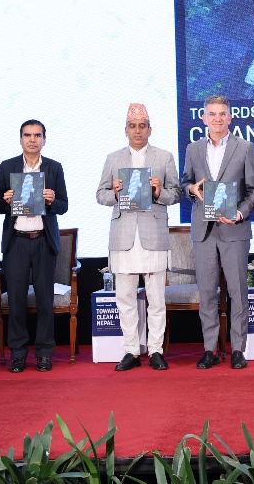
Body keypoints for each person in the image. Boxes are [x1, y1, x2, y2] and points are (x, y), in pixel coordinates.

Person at [96, 103, 182, 371]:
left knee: (156, 299)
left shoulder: (164, 157)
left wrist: (158, 192)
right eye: (132, 126)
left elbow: (176, 194)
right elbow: (100, 195)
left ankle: (156, 350)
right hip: (124, 236)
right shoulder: (113, 159)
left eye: (142, 126)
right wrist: (116, 193)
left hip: (153, 234)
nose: (137, 131)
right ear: (125, 130)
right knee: (125, 298)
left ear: (149, 130)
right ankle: (131, 350)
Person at [181, 94, 254, 369]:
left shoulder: (245, 147)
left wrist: (239, 213)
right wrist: (191, 190)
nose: (217, 119)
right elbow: (185, 184)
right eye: (212, 114)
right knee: (207, 292)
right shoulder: (193, 149)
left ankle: (238, 349)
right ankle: (210, 350)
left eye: (222, 114)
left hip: (234, 229)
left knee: (238, 292)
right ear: (203, 118)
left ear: (230, 118)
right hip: (204, 231)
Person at [0, 120, 68, 373]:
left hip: (43, 241)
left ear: (44, 139)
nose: (32, 139)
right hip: (16, 242)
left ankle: (44, 353)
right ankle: (18, 353)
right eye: (27, 135)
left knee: (45, 300)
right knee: (16, 301)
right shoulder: (7, 167)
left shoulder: (54, 167)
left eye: (37, 135)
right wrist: (5, 201)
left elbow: (64, 206)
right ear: (21, 139)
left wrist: (52, 200)